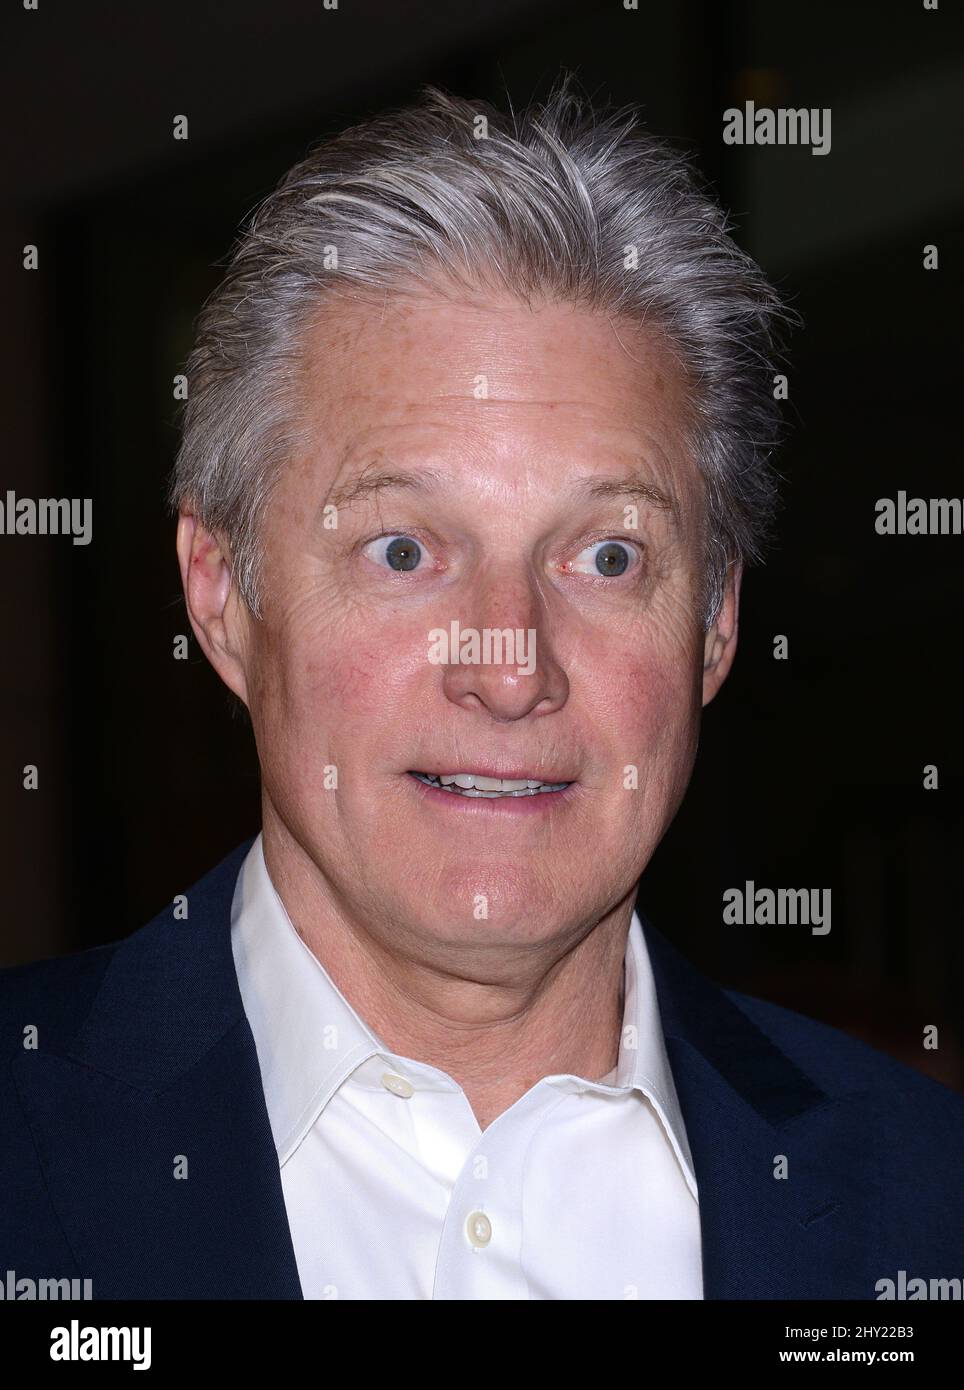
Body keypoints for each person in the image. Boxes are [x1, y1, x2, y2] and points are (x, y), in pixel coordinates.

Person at [2, 76, 961, 1301]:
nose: (511, 665)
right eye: (403, 550)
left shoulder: (931, 1208)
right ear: (222, 598)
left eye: (608, 556)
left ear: (714, 624)